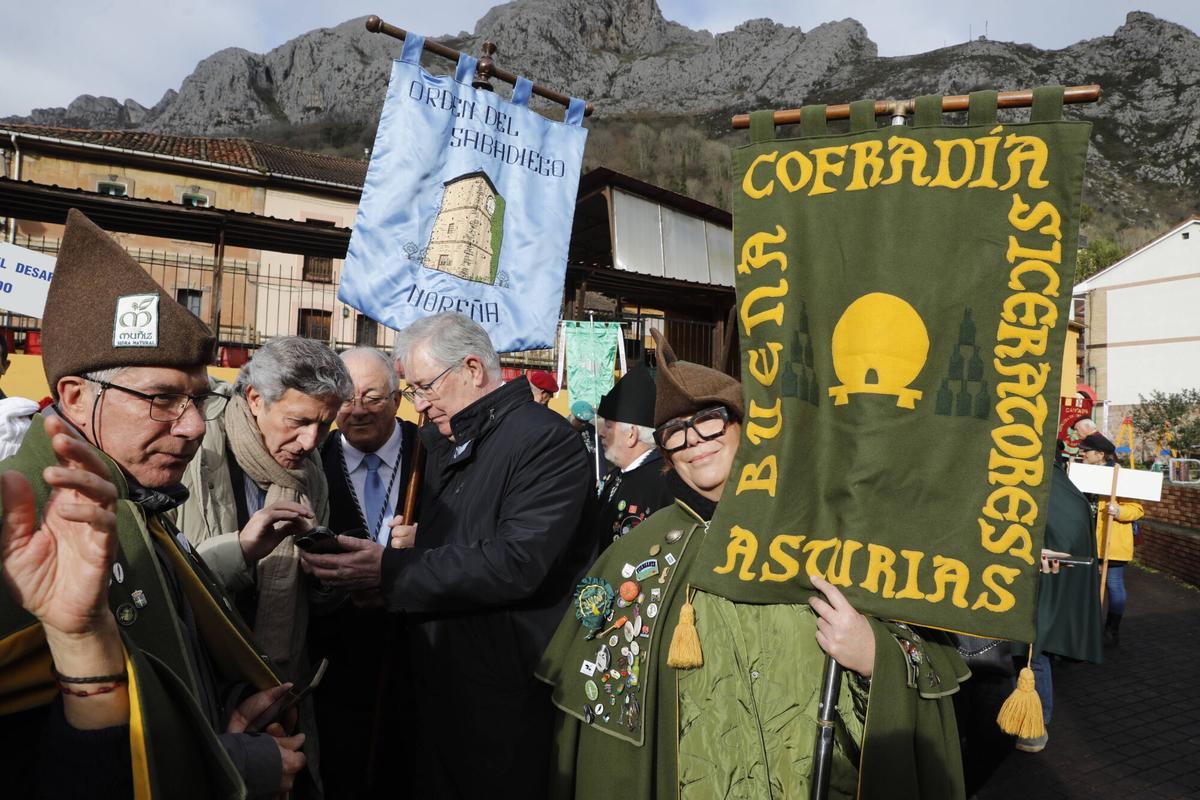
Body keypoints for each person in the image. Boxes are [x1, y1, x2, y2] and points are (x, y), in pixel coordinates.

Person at [537, 329, 967, 800]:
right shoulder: (636, 556)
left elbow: (928, 663)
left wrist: (873, 656)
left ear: (746, 425)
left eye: (709, 420)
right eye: (674, 432)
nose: (693, 440)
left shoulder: (827, 531)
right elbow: (602, 731)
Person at [0, 208, 308, 797]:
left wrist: (219, 721)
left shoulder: (135, 499)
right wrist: (233, 764)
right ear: (74, 396)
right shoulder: (21, 526)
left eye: (199, 398)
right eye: (162, 398)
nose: (193, 425)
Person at [299, 312, 594, 797]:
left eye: (424, 387)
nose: (418, 404)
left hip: (502, 697)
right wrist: (415, 551)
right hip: (442, 691)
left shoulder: (543, 440)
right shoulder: (449, 441)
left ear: (472, 369)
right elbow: (467, 540)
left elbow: (517, 562)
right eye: (412, 391)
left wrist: (391, 570)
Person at [175, 335, 351, 793]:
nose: (311, 441)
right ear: (255, 399)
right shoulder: (192, 448)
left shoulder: (311, 474)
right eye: (299, 421)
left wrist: (327, 576)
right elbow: (169, 579)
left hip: (279, 689)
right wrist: (242, 549)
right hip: (202, 685)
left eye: (324, 425)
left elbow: (313, 603)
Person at [310, 346, 417, 798]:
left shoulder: (430, 454)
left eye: (372, 397)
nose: (357, 411)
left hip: (415, 657)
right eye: (346, 399)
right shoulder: (312, 456)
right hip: (335, 660)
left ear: (396, 399)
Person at [592, 364, 672, 551]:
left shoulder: (664, 481)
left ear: (631, 434)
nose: (601, 433)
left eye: (609, 426)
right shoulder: (616, 475)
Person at [1078, 432, 1144, 645]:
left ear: (1100, 454)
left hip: (1111, 541)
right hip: (1085, 541)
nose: (1082, 454)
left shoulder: (1120, 476)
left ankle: (1112, 629)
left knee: (1114, 585)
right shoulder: (1080, 473)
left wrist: (1119, 511)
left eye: (1086, 451)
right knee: (1084, 587)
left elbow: (1137, 509)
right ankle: (1085, 628)